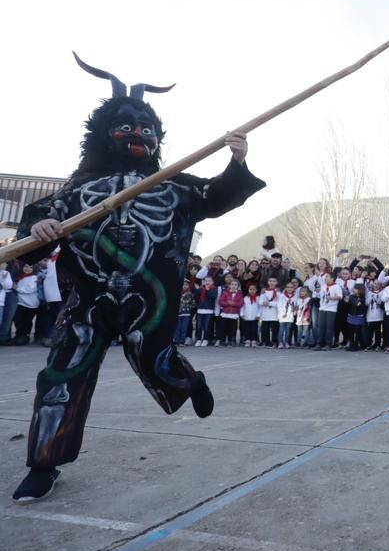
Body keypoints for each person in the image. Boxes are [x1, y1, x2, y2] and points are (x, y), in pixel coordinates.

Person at [12, 54, 265, 502]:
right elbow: (36, 233)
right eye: (127, 127)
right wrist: (40, 230)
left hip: (149, 299)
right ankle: (44, 463)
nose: (138, 135)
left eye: (147, 130)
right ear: (104, 133)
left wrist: (236, 162)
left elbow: (215, 196)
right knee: (61, 375)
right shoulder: (76, 189)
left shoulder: (169, 183)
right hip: (87, 297)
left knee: (151, 356)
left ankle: (191, 381)